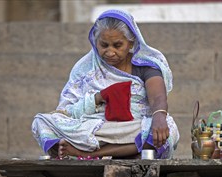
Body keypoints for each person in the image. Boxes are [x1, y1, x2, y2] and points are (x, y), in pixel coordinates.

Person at [31, 9, 180, 160]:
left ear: (131, 42)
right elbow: (67, 111)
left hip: (132, 129)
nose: (110, 52)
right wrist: (98, 98)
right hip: (95, 128)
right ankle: (124, 153)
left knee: (168, 127)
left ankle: (87, 154)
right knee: (41, 121)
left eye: (117, 45)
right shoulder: (85, 68)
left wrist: (159, 116)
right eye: (104, 45)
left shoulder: (146, 66)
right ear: (95, 42)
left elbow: (157, 97)